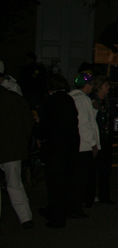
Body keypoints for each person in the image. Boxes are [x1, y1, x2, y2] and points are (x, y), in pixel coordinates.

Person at [37, 74, 80, 228]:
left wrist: (41, 137)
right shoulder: (69, 100)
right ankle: (60, 211)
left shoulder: (51, 102)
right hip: (70, 148)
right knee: (65, 182)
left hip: (55, 149)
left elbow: (45, 126)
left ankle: (57, 219)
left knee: (54, 185)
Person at [0, 84, 36, 230]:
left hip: (10, 148)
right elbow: (28, 122)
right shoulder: (15, 98)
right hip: (12, 149)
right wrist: (22, 141)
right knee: (15, 183)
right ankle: (25, 218)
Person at [67, 71, 99, 219]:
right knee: (79, 179)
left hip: (77, 145)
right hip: (83, 146)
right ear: (87, 85)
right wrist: (93, 143)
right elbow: (85, 125)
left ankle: (75, 205)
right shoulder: (81, 100)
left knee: (76, 178)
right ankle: (75, 208)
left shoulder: (75, 98)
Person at [87, 75, 117, 207]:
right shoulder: (91, 101)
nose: (108, 88)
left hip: (106, 139)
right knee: (92, 170)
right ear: (99, 87)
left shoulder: (110, 101)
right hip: (95, 139)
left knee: (105, 169)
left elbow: (113, 116)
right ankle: (89, 197)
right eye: (106, 85)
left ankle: (104, 196)